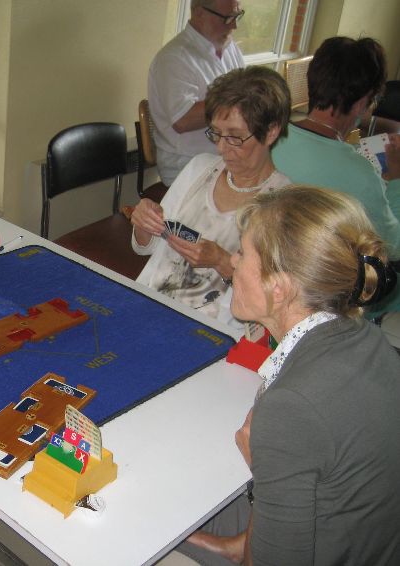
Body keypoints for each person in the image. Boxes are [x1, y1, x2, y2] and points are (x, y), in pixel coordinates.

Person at [177, 186, 400, 565]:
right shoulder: (370, 339)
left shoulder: (290, 407)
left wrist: (262, 474)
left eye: (242, 253)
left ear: (276, 289)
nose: (231, 260)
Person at [132, 66, 291, 322]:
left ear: (271, 131)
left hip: (208, 327)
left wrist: (221, 261)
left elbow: (269, 303)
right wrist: (144, 224)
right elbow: (148, 249)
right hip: (146, 301)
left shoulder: (282, 204)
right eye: (216, 133)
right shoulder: (199, 168)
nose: (221, 147)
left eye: (235, 137)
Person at [272, 36, 400, 317]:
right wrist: (394, 179)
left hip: (275, 271)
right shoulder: (360, 174)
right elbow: (392, 246)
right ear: (361, 102)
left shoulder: (272, 137)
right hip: (323, 294)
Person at [148, 0, 245, 186]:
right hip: (188, 164)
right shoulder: (174, 58)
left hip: (225, 156)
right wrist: (236, 98)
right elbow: (183, 120)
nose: (234, 25)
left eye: (237, 16)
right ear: (200, 13)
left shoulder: (230, 48)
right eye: (228, 18)